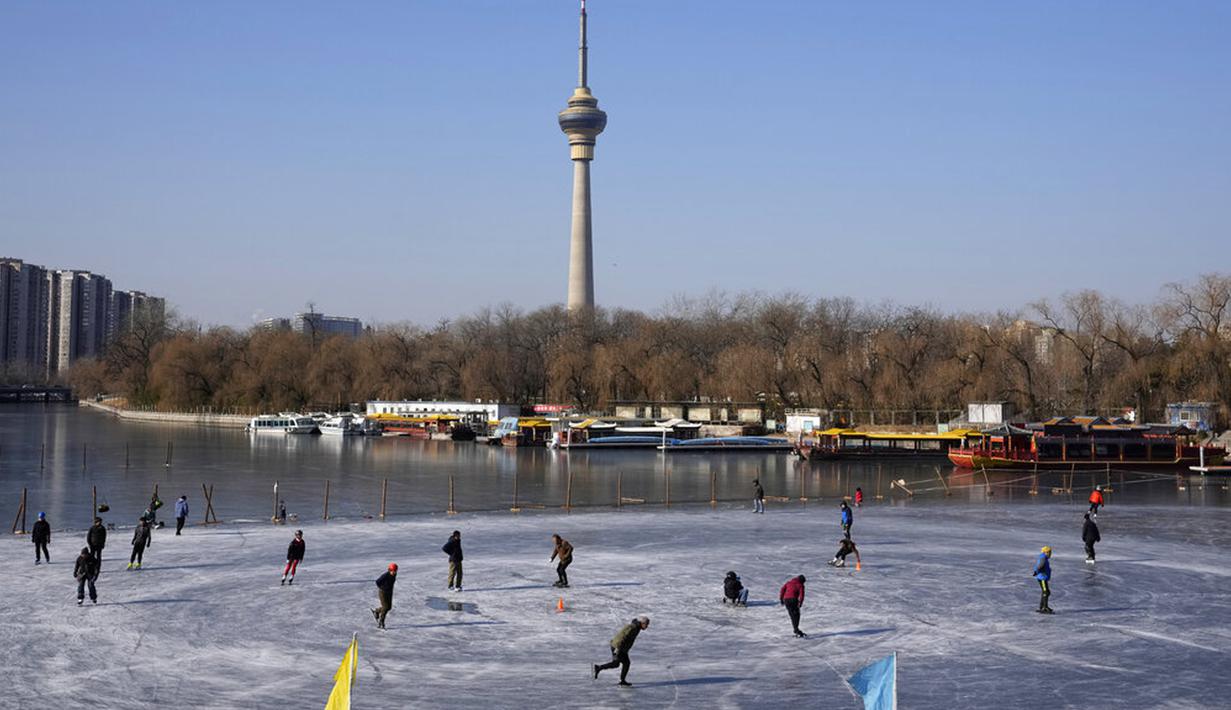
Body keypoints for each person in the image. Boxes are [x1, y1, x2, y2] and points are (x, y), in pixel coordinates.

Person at [593, 616, 650, 686]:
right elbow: (622, 637)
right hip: (617, 646)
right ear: (642, 623)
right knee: (616, 664)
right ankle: (599, 668)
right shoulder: (632, 627)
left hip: (622, 648)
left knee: (626, 663)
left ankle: (622, 681)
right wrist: (617, 649)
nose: (647, 626)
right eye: (646, 624)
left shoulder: (637, 628)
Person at [371, 563, 397, 629]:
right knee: (385, 607)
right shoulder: (385, 575)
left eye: (395, 571)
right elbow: (377, 582)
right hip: (383, 593)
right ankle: (381, 621)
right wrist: (382, 588)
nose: (394, 572)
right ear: (390, 570)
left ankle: (376, 611)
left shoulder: (394, 575)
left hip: (389, 592)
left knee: (389, 607)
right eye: (393, 571)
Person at [1033, 546, 1053, 614]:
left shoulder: (1043, 557)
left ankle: (1043, 606)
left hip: (1043, 577)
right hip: (1042, 578)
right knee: (1045, 592)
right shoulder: (1043, 558)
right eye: (1049, 552)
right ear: (1046, 552)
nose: (1050, 554)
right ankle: (1044, 607)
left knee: (1046, 592)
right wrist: (1037, 571)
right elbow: (1039, 566)